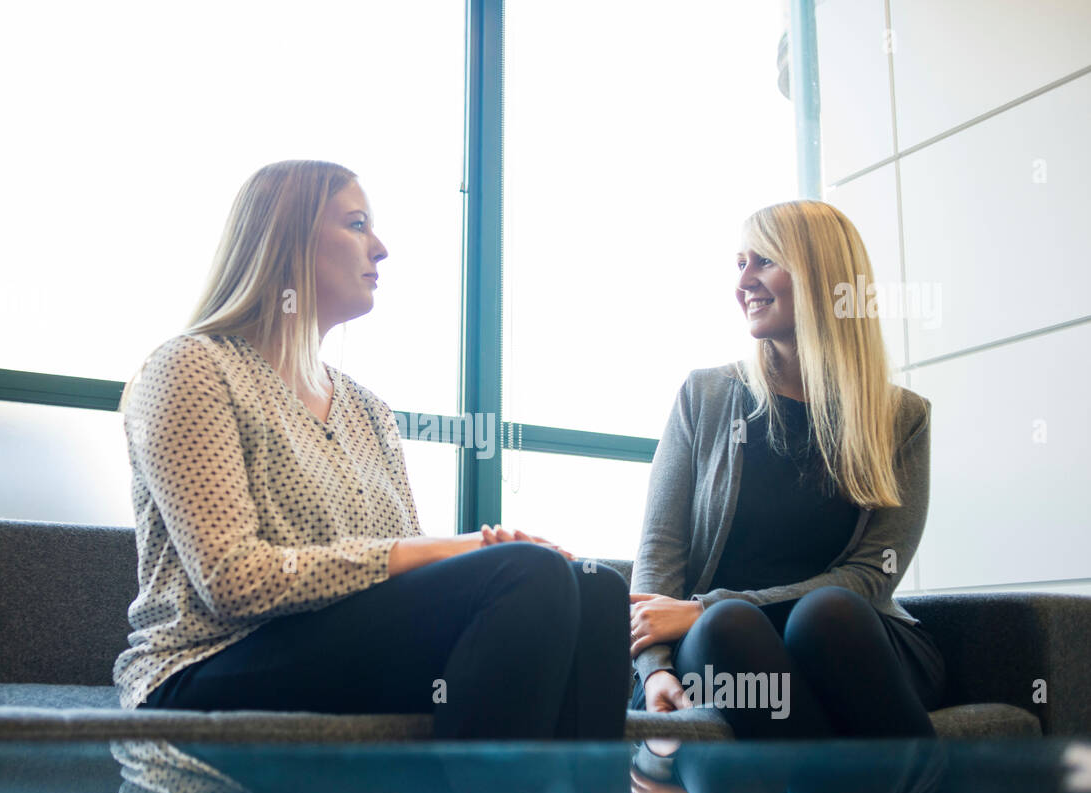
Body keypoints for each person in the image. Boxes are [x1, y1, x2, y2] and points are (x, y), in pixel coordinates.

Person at [116, 159, 630, 741]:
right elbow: (234, 580)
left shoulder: (369, 411)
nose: (380, 248)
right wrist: (442, 552)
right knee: (525, 573)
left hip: (335, 646)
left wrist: (463, 556)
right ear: (286, 243)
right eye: (357, 224)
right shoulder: (193, 367)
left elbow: (405, 587)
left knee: (596, 589)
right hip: (206, 664)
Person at [628, 199, 944, 739]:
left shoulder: (901, 418)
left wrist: (704, 607)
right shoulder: (704, 396)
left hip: (850, 641)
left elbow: (872, 577)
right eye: (739, 263)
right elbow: (659, 557)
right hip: (728, 647)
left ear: (823, 278)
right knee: (732, 626)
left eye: (764, 261)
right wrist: (656, 666)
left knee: (826, 614)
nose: (744, 281)